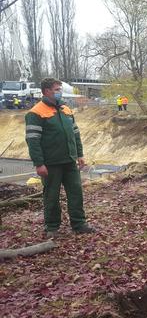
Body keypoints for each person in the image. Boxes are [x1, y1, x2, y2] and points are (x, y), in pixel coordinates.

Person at [25, 78, 95, 238]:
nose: (60, 92)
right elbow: (32, 140)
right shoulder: (35, 113)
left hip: (69, 161)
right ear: (47, 91)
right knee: (51, 195)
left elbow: (75, 133)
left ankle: (79, 223)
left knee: (76, 192)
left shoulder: (66, 109)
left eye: (60, 89)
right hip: (51, 163)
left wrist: (79, 154)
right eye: (57, 89)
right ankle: (52, 227)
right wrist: (39, 163)